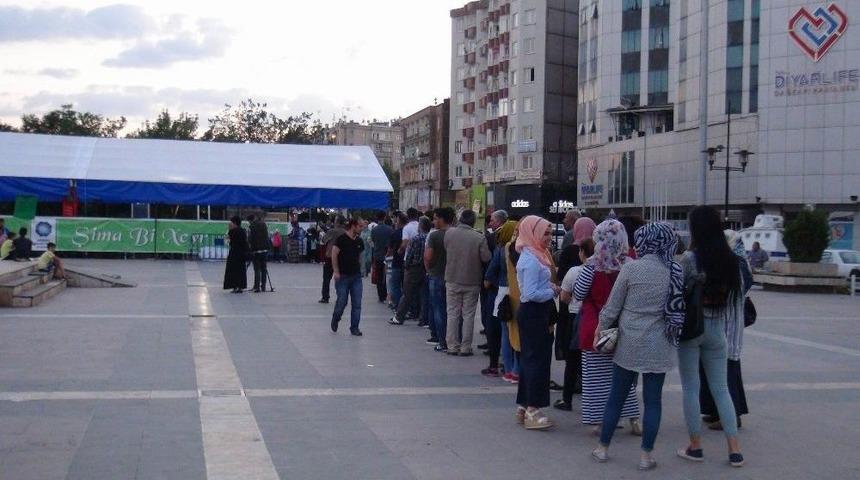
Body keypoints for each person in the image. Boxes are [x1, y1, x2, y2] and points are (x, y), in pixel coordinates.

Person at [590, 223, 683, 470]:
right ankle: (645, 456)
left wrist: (600, 328)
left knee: (617, 396)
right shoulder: (674, 270)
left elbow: (613, 306)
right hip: (659, 343)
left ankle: (602, 448)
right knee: (653, 402)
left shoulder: (631, 269)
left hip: (629, 340)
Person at [676, 206, 745, 468]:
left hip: (692, 329)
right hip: (718, 330)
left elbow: (676, 292)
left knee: (691, 388)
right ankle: (734, 450)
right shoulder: (731, 260)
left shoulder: (689, 259)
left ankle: (696, 446)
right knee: (721, 388)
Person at [574, 219, 641, 435]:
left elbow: (579, 293)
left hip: (595, 328)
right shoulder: (630, 263)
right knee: (623, 377)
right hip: (624, 327)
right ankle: (633, 418)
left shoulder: (592, 265)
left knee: (595, 377)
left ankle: (598, 421)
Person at [699, 230, 752, 431]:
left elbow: (726, 290)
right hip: (726, 323)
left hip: (726, 324)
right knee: (717, 369)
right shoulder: (739, 263)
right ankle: (715, 410)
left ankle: (731, 415)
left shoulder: (735, 265)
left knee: (726, 371)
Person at [513, 215, 560, 430]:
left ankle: (524, 406)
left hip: (537, 313)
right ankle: (533, 408)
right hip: (534, 312)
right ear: (532, 233)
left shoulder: (535, 254)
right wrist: (552, 291)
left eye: (550, 233)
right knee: (537, 361)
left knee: (531, 359)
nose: (549, 237)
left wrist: (549, 287)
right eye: (545, 233)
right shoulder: (531, 259)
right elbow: (530, 293)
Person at [554, 217, 597, 411]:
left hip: (574, 315)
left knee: (572, 359)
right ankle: (594, 398)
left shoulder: (575, 269)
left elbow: (565, 295)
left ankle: (567, 398)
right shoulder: (607, 268)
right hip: (597, 317)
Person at [443, 209, 491, 356]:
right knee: (468, 315)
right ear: (473, 222)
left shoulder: (449, 233)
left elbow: (446, 249)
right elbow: (486, 258)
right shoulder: (479, 237)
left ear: (460, 219)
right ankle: (465, 347)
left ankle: (452, 346)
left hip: (452, 278)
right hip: (472, 280)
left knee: (452, 313)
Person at [482, 215, 518, 376]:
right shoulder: (524, 250)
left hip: (500, 292)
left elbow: (489, 275)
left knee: (498, 330)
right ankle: (513, 367)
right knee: (513, 332)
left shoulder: (502, 250)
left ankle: (496, 365)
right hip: (518, 295)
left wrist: (490, 286)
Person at [389, 217, 430, 326]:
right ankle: (424, 319)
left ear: (421, 226)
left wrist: (406, 265)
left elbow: (409, 255)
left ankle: (399, 317)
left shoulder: (416, 239)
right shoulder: (430, 237)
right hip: (426, 268)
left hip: (414, 268)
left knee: (407, 294)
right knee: (424, 295)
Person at [330, 218, 365, 336]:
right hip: (342, 276)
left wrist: (361, 269)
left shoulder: (359, 241)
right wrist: (336, 271)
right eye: (360, 226)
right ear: (353, 226)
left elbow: (360, 256)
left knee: (357, 303)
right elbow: (334, 254)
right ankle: (336, 317)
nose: (362, 228)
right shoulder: (341, 239)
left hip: (356, 277)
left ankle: (354, 327)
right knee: (342, 301)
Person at [478, 210, 508, 349]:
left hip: (492, 281)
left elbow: (489, 260)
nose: (490, 223)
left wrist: (487, 278)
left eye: (492, 220)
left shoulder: (492, 237)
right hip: (502, 282)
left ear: (500, 221)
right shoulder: (502, 236)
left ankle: (492, 343)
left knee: (490, 312)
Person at [425, 207, 453, 352]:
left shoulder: (434, 236)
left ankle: (442, 341)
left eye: (435, 218)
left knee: (438, 309)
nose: (433, 221)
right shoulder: (455, 234)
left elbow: (428, 257)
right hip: (452, 277)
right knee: (453, 311)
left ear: (441, 219)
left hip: (436, 276)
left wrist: (428, 270)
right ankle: (454, 339)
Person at [319, 216, 346, 303]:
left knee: (326, 278)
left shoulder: (332, 231)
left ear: (337, 222)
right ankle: (341, 296)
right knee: (341, 279)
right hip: (342, 257)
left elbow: (324, 240)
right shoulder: (346, 232)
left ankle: (325, 297)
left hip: (330, 256)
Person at [371, 211, 393, 302]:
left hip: (377, 255)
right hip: (388, 255)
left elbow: (373, 240)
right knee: (388, 276)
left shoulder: (374, 230)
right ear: (384, 218)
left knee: (379, 276)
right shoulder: (389, 229)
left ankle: (381, 295)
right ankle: (388, 294)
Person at [223, 216, 249, 293]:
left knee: (233, 270)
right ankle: (241, 287)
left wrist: (229, 229)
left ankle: (235, 286)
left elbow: (227, 240)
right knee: (241, 270)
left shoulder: (232, 231)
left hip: (234, 253)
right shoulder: (243, 231)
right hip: (242, 253)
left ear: (234, 223)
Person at [388, 212, 407, 311]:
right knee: (405, 286)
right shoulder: (408, 232)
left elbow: (390, 249)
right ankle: (405, 306)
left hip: (396, 262)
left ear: (399, 221)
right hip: (406, 263)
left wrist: (387, 256)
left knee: (395, 285)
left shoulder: (395, 233)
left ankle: (398, 305)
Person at [247, 214, 270, 292]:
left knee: (257, 269)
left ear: (250, 220)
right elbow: (267, 236)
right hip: (265, 249)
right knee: (264, 269)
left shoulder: (251, 227)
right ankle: (263, 286)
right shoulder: (264, 224)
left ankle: (256, 287)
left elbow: (250, 239)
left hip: (256, 250)